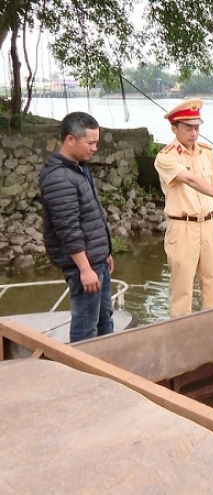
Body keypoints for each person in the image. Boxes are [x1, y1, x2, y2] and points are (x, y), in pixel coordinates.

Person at [154, 98, 213, 317]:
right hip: (183, 227)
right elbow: (190, 180)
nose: (194, 133)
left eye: (197, 127)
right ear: (174, 128)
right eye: (188, 128)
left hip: (209, 224)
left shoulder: (206, 152)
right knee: (182, 288)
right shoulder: (165, 157)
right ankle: (180, 331)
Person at [39, 112, 114, 343]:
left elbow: (91, 215)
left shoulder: (78, 167)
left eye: (96, 143)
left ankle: (106, 362)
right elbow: (68, 228)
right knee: (86, 326)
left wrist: (105, 252)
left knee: (104, 320)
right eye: (90, 143)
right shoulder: (59, 178)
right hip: (85, 265)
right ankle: (80, 364)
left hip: (97, 259)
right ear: (70, 139)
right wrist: (84, 268)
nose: (94, 149)